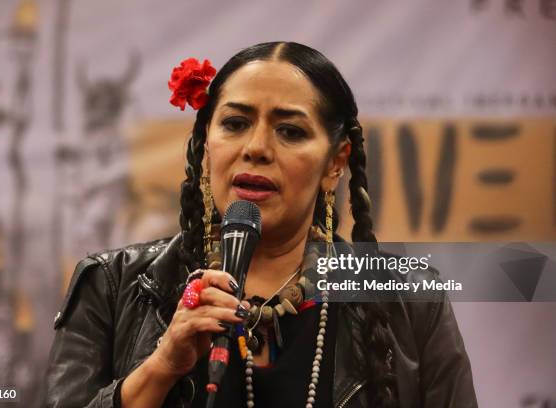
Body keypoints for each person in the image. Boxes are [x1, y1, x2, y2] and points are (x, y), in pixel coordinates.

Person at [42, 42, 477, 408]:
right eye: (235, 123)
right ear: (206, 147)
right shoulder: (113, 285)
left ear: (335, 163)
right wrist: (161, 367)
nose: (256, 148)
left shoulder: (409, 299)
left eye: (290, 131)